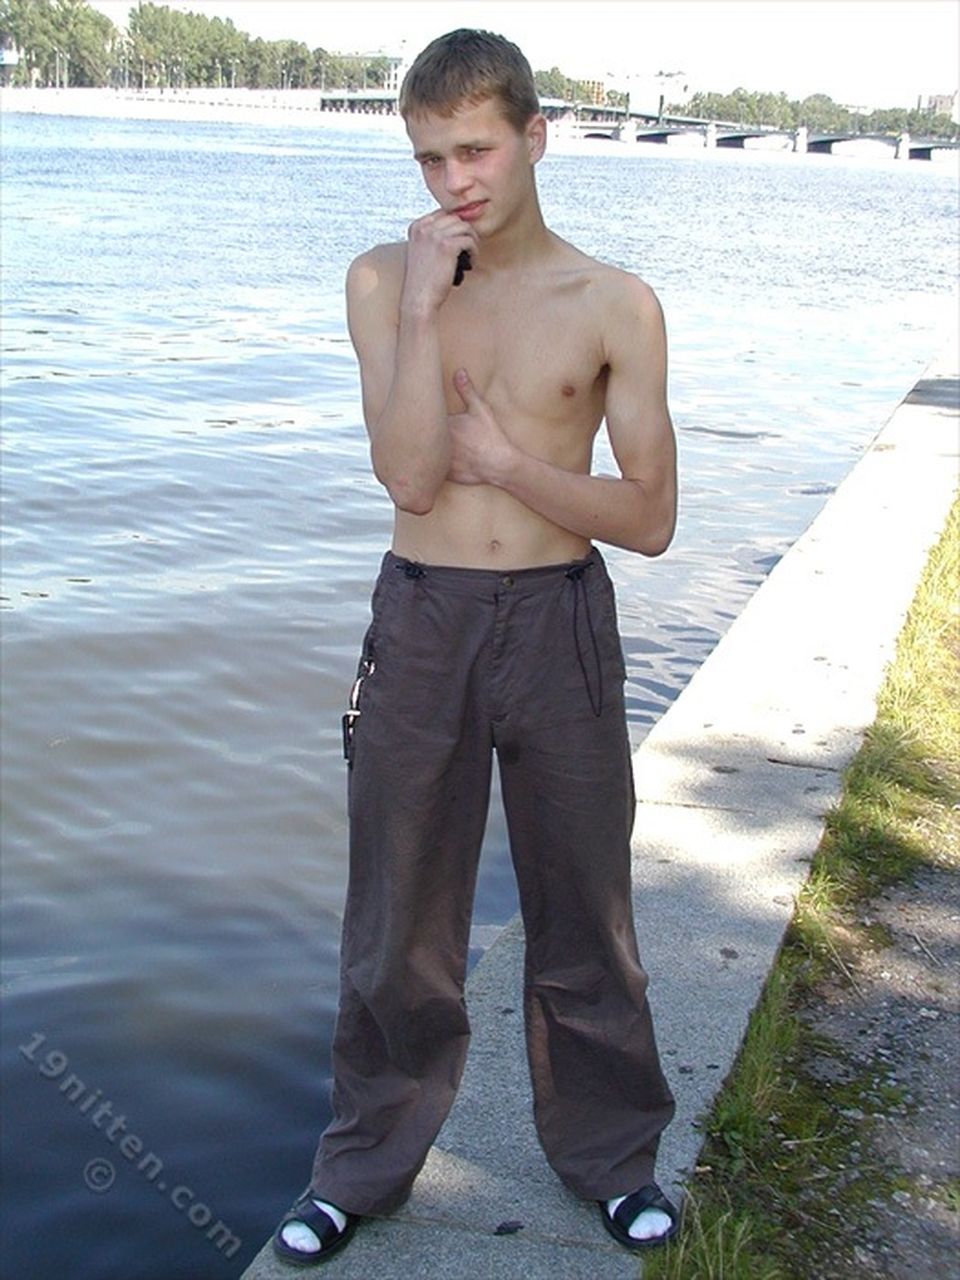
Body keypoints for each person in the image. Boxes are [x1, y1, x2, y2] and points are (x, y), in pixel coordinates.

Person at [272, 28, 679, 1267]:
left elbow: (651, 519)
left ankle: (614, 1160)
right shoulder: (379, 282)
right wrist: (419, 298)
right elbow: (407, 476)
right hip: (424, 618)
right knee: (397, 916)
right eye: (430, 158)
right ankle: (362, 1164)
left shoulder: (614, 303)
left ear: (535, 137)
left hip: (559, 619)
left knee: (586, 904)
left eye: (476, 150)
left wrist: (509, 464)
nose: (454, 181)